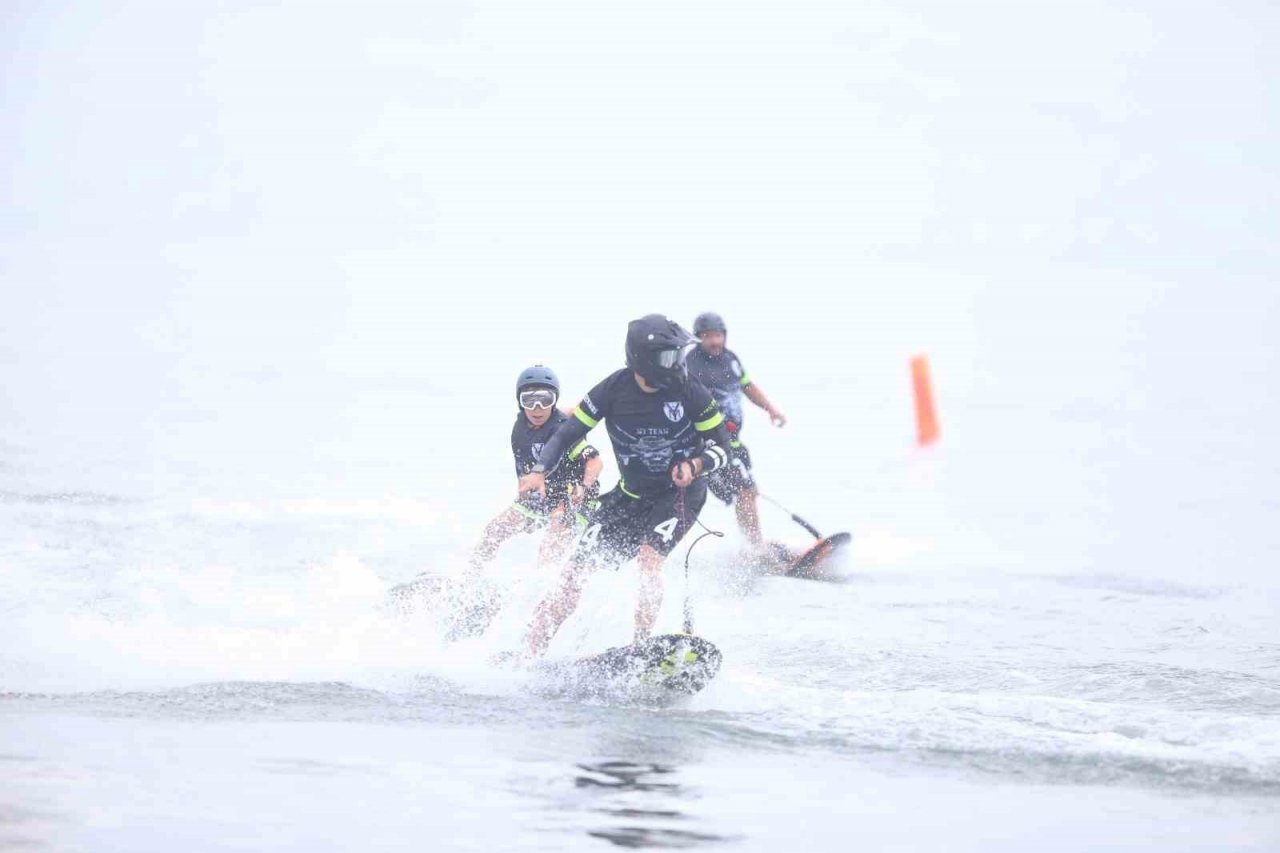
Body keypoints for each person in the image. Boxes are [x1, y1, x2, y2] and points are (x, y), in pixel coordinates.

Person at [516, 314, 736, 656]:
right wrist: (539, 470)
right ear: (644, 360)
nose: (678, 363)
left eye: (679, 354)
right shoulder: (612, 390)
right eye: (670, 356)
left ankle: (640, 651)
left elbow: (725, 448)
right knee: (576, 571)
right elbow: (565, 433)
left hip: (678, 496)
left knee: (650, 558)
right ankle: (529, 653)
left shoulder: (691, 391)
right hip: (629, 496)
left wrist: (697, 463)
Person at [469, 365, 603, 580]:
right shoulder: (521, 426)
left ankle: (541, 590)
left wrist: (584, 486)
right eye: (529, 400)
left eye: (545, 399)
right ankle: (469, 580)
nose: (537, 408)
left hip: (574, 497)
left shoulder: (564, 429)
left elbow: (595, 462)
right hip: (542, 494)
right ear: (519, 401)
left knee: (549, 550)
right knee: (494, 531)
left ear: (554, 400)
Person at [685, 311, 786, 548]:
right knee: (746, 490)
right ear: (698, 338)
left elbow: (747, 385)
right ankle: (755, 548)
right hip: (709, 447)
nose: (714, 341)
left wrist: (771, 409)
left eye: (718, 335)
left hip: (734, 444)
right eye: (708, 336)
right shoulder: (690, 365)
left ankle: (752, 547)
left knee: (747, 492)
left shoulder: (731, 359)